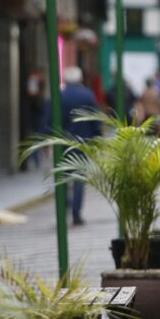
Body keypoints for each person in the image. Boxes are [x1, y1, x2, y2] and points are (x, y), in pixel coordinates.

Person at [59, 66, 100, 225]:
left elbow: (49, 119)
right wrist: (98, 138)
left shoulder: (59, 96)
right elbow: (95, 119)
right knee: (78, 179)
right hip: (83, 143)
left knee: (62, 178)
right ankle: (76, 213)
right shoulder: (87, 95)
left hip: (62, 143)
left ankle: (63, 209)